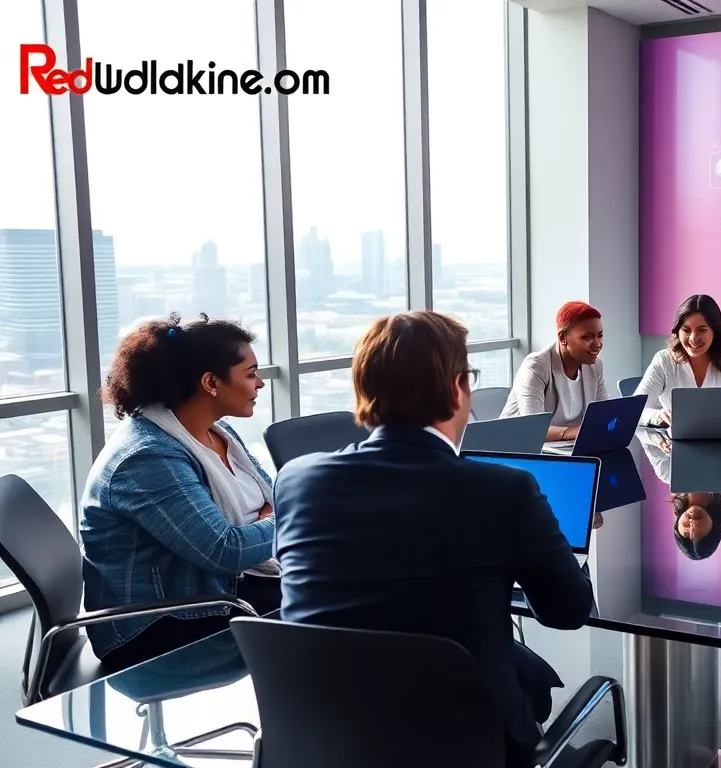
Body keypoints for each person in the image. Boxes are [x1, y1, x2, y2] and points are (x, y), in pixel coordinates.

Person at [274, 311, 593, 768]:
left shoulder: (296, 480)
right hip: (471, 748)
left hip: (326, 741)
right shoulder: (505, 491)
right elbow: (568, 611)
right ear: (455, 389)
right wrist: (553, 546)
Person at [80, 314, 278, 673]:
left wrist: (272, 520)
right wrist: (287, 520)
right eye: (250, 373)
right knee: (331, 607)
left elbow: (273, 499)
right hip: (154, 627)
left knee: (343, 587)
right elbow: (226, 549)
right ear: (210, 382)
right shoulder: (147, 456)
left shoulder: (218, 433)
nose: (260, 383)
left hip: (216, 592)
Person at [635, 294, 721, 426]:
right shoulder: (663, 360)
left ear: (715, 331)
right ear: (678, 331)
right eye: (686, 330)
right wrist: (657, 416)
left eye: (702, 330)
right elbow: (633, 411)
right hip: (673, 444)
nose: (693, 338)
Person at [500, 301, 608, 442]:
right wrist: (572, 432)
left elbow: (603, 415)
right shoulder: (536, 366)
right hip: (518, 449)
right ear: (563, 338)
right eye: (587, 337)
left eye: (599, 335)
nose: (598, 344)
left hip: (563, 448)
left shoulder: (595, 366)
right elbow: (534, 428)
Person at [671, 492, 721, 560]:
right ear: (714, 528)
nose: (693, 525)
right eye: (700, 534)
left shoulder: (671, 482)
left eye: (686, 534)